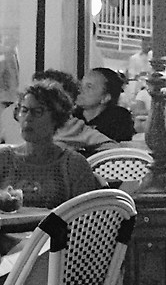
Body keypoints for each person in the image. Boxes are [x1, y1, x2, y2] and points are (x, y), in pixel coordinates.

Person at [0, 83, 99, 215]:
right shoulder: (4, 158)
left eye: (37, 112)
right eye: (24, 110)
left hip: (55, 234)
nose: (28, 118)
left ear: (56, 118)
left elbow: (86, 216)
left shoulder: (73, 165)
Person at [58, 66, 136, 151]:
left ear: (105, 98)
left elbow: (117, 151)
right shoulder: (70, 116)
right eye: (80, 85)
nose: (79, 89)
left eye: (89, 86)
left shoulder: (119, 118)